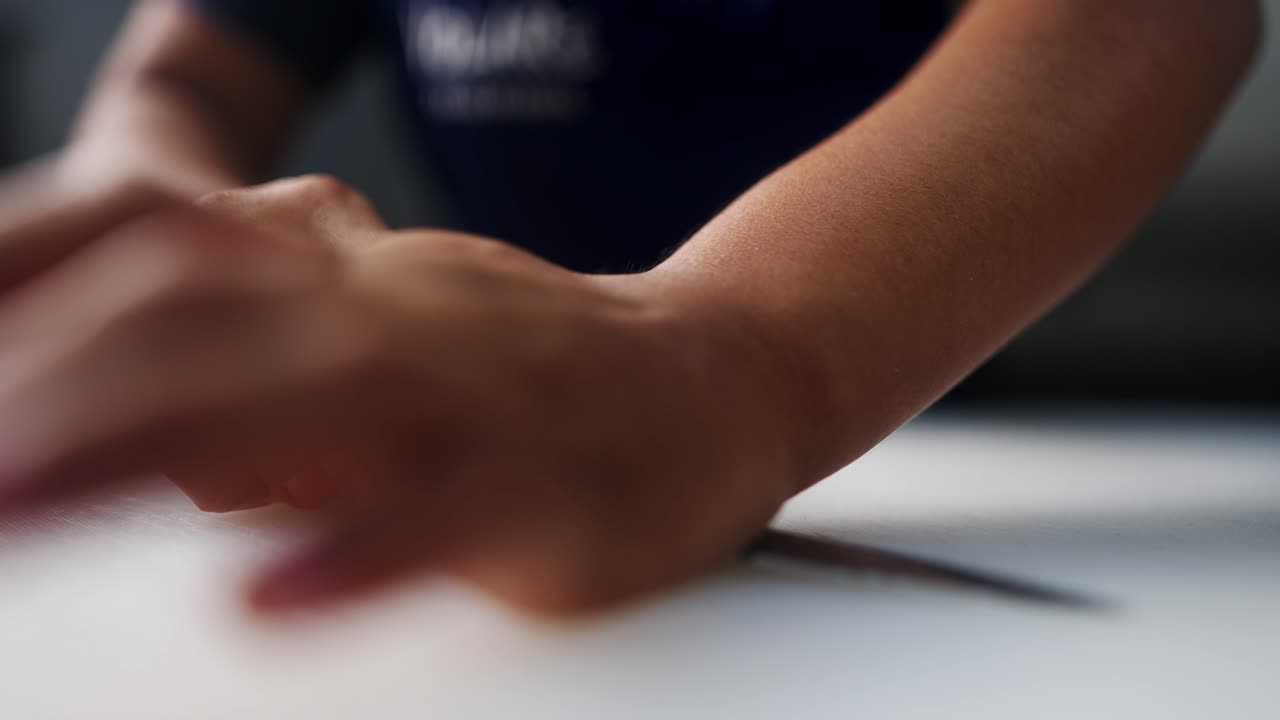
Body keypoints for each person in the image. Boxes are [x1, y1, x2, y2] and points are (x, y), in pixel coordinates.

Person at [0, 0, 1260, 614]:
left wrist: (739, 353)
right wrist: (181, 225)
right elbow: (184, 78)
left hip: (949, 425)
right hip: (467, 430)